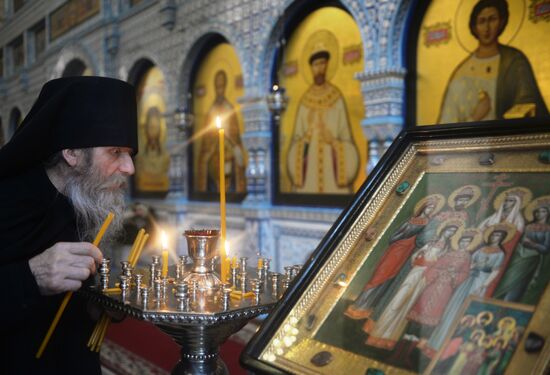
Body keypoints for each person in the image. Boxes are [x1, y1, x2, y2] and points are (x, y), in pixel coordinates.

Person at [0, 76, 138, 373]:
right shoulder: (6, 199)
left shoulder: (86, 198)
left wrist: (98, 303)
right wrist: (31, 277)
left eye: (130, 154)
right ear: (72, 153)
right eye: (116, 152)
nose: (130, 168)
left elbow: (72, 304)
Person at [438, 0, 548, 124]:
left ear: (501, 22)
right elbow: (445, 129)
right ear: (474, 27)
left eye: (492, 19)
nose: (487, 28)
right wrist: (476, 117)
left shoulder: (514, 61)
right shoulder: (461, 73)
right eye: (482, 21)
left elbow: (529, 104)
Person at [365, 219, 463, 350]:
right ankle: (377, 333)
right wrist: (420, 260)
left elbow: (442, 265)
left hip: (425, 278)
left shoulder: (447, 249)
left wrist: (432, 268)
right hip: (415, 273)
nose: (450, 233)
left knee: (408, 305)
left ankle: (389, 339)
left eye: (453, 232)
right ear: (444, 230)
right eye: (449, 230)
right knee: (397, 301)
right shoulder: (431, 242)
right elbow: (414, 257)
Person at [344, 194, 444, 320]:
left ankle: (367, 308)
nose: (430, 210)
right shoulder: (412, 220)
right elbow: (395, 236)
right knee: (379, 276)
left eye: (432, 208)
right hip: (395, 251)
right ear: (423, 207)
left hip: (406, 255)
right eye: (429, 207)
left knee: (387, 281)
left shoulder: (427, 224)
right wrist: (400, 240)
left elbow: (421, 240)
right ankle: (359, 305)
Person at [287, 44, 359, 194]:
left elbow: (348, 141)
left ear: (327, 65)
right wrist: (307, 139)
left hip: (333, 183)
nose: (319, 68)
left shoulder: (336, 98)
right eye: (315, 64)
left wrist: (333, 142)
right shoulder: (304, 102)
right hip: (308, 184)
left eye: (322, 63)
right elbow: (295, 143)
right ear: (311, 68)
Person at [197, 70, 246, 193]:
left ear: (225, 86)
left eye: (222, 86)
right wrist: (213, 145)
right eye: (217, 86)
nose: (219, 89)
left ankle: (232, 193)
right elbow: (205, 145)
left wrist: (231, 144)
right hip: (214, 157)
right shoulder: (210, 112)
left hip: (228, 155)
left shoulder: (230, 109)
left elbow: (236, 139)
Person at [494, 197, 550, 303]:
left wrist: (532, 244)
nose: (539, 213)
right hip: (517, 255)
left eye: (543, 211)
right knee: (507, 279)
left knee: (519, 283)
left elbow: (546, 249)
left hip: (531, 259)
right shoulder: (528, 226)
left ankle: (508, 302)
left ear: (548, 213)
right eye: (537, 211)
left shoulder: (548, 229)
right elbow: (519, 240)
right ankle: (497, 300)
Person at [135, 106, 170, 192]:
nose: (153, 131)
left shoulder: (166, 156)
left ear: (161, 129)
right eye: (151, 127)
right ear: (146, 128)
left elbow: (166, 170)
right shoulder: (140, 157)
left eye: (156, 127)